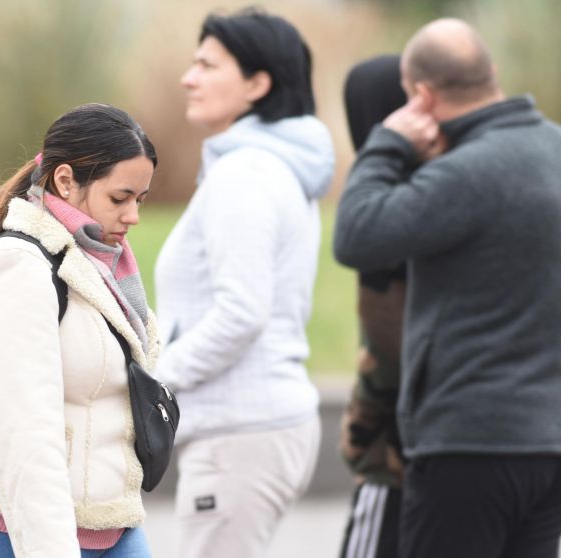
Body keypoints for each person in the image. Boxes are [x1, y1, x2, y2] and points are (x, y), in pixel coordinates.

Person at [333, 18, 561, 558]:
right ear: (492, 74)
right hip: (549, 443)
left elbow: (357, 235)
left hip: (468, 443)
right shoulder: (554, 148)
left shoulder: (464, 173)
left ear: (422, 97)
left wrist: (388, 142)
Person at [0, 103, 159, 556]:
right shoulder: (18, 268)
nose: (132, 215)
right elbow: (25, 437)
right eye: (120, 198)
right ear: (64, 181)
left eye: (140, 199)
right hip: (6, 533)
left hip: (111, 526)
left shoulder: (104, 267)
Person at [152, 9, 334, 557]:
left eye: (207, 65)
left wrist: (155, 379)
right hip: (251, 430)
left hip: (241, 433)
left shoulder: (246, 175)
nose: (189, 77)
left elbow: (242, 313)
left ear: (258, 83)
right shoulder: (261, 167)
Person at [336, 54, 408, 558]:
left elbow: (386, 342)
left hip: (398, 453)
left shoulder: (386, 208)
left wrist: (360, 438)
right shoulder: (460, 187)